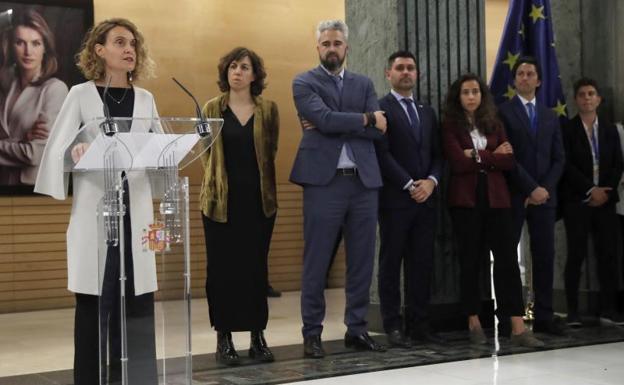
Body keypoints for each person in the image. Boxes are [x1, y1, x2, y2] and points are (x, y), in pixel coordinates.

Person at [34, 18, 159, 385]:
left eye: (133, 43)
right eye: (120, 42)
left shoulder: (147, 99)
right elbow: (59, 150)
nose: (129, 49)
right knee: (93, 304)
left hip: (135, 213)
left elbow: (161, 151)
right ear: (99, 50)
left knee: (137, 303)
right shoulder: (81, 94)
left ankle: (137, 380)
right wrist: (77, 151)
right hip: (96, 213)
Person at [290, 19, 387, 358]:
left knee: (362, 260)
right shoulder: (304, 81)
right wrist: (363, 118)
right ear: (318, 48)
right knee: (316, 261)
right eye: (326, 43)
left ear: (347, 48)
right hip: (323, 183)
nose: (332, 48)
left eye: (337, 43)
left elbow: (379, 131)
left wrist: (331, 121)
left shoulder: (364, 82)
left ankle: (357, 329)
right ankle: (312, 333)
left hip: (363, 183)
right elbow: (336, 121)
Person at [443, 73, 544, 347]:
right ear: (458, 97)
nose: (471, 96)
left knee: (507, 261)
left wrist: (476, 155)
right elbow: (457, 162)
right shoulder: (450, 126)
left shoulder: (494, 122)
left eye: (476, 91)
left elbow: (509, 160)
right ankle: (474, 321)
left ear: (482, 95)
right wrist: (492, 157)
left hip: (498, 200)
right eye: (466, 92)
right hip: (466, 202)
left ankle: (517, 326)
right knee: (471, 261)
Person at [200, 47, 278, 365]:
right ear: (226, 72)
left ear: (254, 75)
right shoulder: (210, 108)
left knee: (256, 270)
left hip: (259, 203)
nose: (238, 72)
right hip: (220, 204)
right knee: (222, 272)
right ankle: (225, 338)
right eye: (233, 66)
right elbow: (206, 155)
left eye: (245, 67)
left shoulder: (269, 109)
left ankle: (258, 337)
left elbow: (270, 151)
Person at [376, 50, 443, 347]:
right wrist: (408, 184)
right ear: (388, 74)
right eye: (400, 68)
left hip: (426, 200)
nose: (406, 72)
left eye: (411, 68)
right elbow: (382, 153)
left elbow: (439, 155)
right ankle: (392, 325)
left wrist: (431, 182)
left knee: (422, 264)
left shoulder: (427, 111)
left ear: (417, 74)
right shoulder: (379, 108)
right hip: (395, 200)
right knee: (391, 264)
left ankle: (420, 324)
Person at [498, 56, 566, 336]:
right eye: (521, 74)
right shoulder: (503, 112)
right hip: (514, 195)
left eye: (530, 74)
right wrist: (529, 189)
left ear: (539, 80)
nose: (525, 78)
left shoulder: (551, 115)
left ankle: (544, 317)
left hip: (544, 199)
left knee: (544, 257)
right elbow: (507, 157)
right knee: (506, 258)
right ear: (514, 81)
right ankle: (506, 317)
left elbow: (559, 158)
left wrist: (544, 190)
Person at [560, 77, 624, 326]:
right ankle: (573, 311)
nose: (587, 98)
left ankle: (608, 309)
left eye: (591, 94)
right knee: (575, 254)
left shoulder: (609, 129)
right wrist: (590, 189)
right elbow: (567, 164)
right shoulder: (568, 129)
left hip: (606, 201)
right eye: (582, 94)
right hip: (578, 201)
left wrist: (604, 191)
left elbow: (618, 163)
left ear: (598, 99)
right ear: (576, 100)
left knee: (608, 254)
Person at [0, 9, 67, 186]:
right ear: (10, 46)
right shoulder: (6, 86)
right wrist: (22, 139)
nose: (28, 51)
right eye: (20, 42)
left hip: (35, 193)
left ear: (45, 47)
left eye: (36, 43)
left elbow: (34, 154)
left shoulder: (55, 90)